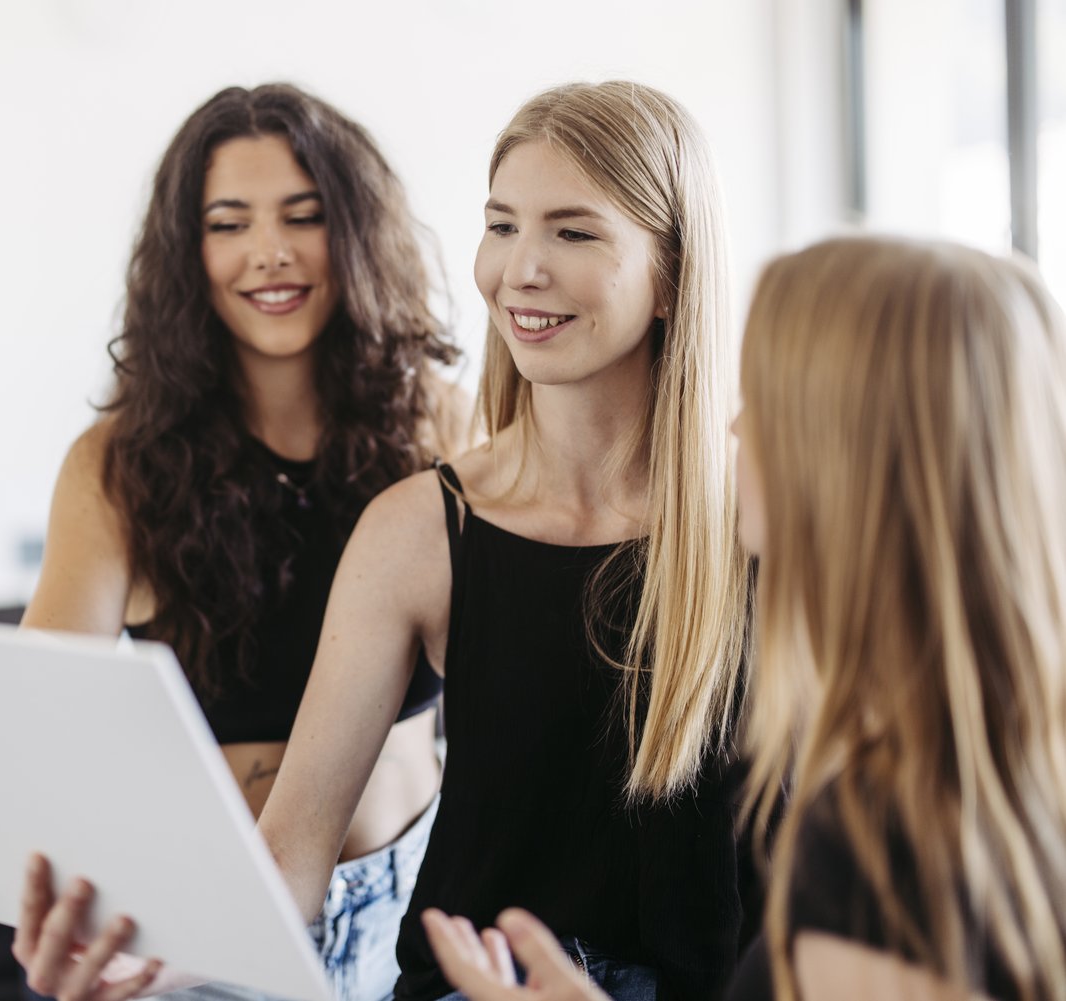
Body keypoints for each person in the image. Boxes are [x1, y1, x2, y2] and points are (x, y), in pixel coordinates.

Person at [422, 236, 1066, 1001]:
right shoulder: (987, 775)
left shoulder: (885, 855)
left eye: (762, 400)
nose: (734, 429)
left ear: (849, 456)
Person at [250, 80, 753, 1001]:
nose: (520, 269)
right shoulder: (418, 529)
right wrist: (158, 951)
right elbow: (290, 852)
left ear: (673, 274)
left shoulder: (767, 518)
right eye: (502, 225)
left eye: (573, 231)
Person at [12, 83, 463, 1001]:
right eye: (229, 222)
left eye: (306, 216)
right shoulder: (116, 466)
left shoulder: (441, 428)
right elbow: (40, 720)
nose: (270, 253)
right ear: (189, 252)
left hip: (417, 898)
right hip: (210, 922)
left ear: (358, 236)